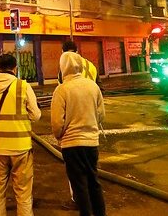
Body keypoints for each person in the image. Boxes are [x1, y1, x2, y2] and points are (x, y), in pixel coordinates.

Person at [0, 54, 41, 216]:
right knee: (23, 194)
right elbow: (35, 115)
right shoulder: (23, 86)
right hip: (21, 148)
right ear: (15, 68)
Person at [52, 52, 106, 216]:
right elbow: (101, 114)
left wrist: (60, 135)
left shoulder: (62, 90)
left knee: (79, 185)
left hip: (71, 144)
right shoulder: (93, 86)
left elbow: (56, 123)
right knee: (93, 181)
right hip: (91, 143)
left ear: (62, 69)